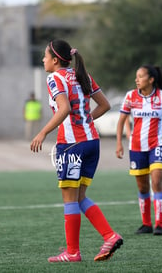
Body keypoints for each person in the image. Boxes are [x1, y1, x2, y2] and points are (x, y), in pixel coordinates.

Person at [30, 39, 123, 262]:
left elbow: (64, 108)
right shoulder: (82, 74)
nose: (43, 60)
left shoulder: (54, 77)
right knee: (80, 196)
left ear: (55, 60)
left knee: (69, 198)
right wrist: (84, 120)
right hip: (92, 141)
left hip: (71, 144)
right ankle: (109, 236)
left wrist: (42, 133)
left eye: (45, 56)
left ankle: (73, 252)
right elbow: (105, 105)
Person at [116, 65, 162, 235]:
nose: (137, 79)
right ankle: (146, 224)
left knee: (156, 182)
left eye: (140, 76)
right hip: (136, 147)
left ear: (151, 79)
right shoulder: (130, 96)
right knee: (143, 187)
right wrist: (119, 144)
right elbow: (121, 121)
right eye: (136, 76)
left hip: (157, 145)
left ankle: (159, 225)